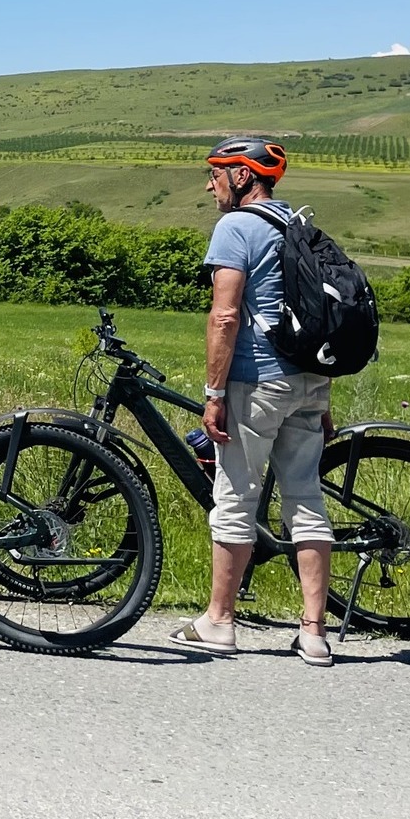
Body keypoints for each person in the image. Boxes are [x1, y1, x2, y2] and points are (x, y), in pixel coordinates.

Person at [172, 137, 337, 667]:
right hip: (310, 379)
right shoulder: (298, 223)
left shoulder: (236, 227)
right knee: (305, 498)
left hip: (257, 380)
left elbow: (225, 316)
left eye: (216, 174)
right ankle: (313, 632)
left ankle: (220, 621)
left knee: (236, 497)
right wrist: (321, 390)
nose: (209, 184)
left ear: (243, 177)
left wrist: (214, 394)